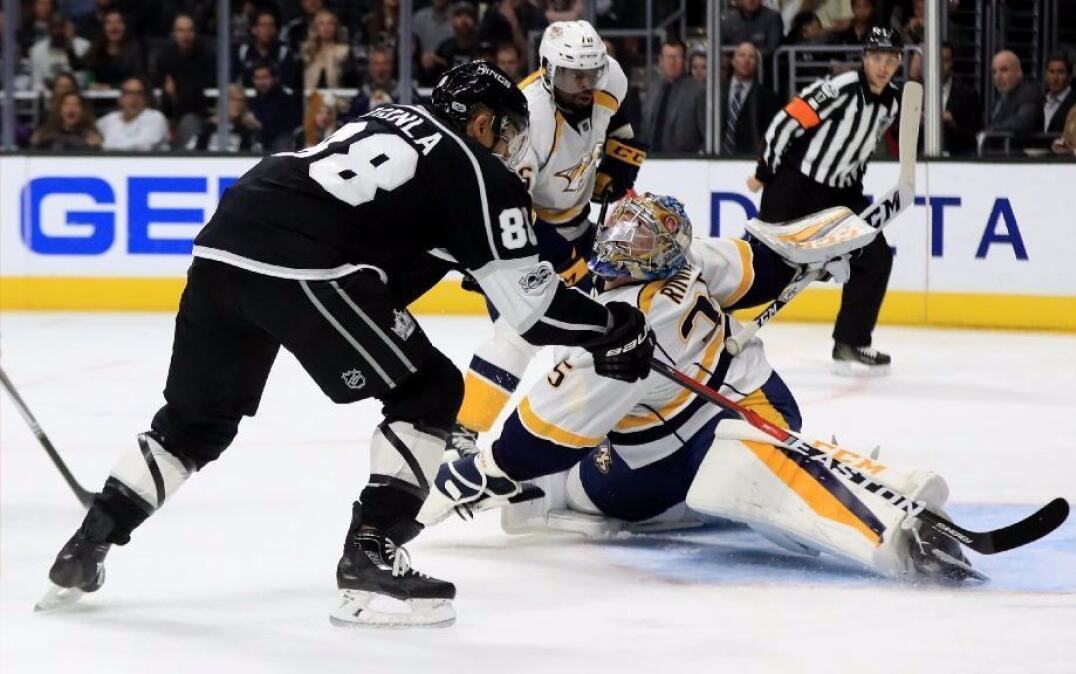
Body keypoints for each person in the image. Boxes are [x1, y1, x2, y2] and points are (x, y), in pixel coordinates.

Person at [38, 60, 655, 628]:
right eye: (507, 132)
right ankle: (372, 557)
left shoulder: (387, 119)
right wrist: (614, 329)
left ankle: (90, 540)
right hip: (305, 266)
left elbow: (392, 222)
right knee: (429, 390)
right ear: (482, 120)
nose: (510, 149)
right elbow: (534, 309)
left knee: (194, 425)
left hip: (223, 244)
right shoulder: (474, 166)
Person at [418, 191, 978, 582]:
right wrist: (822, 248)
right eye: (623, 231)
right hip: (766, 403)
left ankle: (878, 523)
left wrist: (484, 471)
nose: (621, 245)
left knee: (570, 491)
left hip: (675, 459)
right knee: (580, 463)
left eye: (637, 240)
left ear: (659, 255)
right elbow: (764, 261)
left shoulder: (614, 333)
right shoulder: (694, 260)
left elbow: (538, 435)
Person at [450, 21, 646, 457]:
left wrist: (618, 171)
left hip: (576, 220)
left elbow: (623, 122)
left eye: (591, 73)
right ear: (545, 69)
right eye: (571, 75)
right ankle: (461, 432)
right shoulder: (526, 120)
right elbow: (512, 209)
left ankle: (595, 425)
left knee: (609, 323)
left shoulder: (607, 77)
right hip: (515, 240)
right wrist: (562, 259)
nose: (584, 84)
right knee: (518, 334)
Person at [750, 27, 903, 375]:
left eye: (891, 59)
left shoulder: (892, 102)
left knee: (876, 259)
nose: (883, 66)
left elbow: (861, 148)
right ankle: (712, 318)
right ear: (865, 58)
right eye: (877, 58)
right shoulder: (841, 87)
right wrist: (764, 172)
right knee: (765, 264)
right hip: (795, 188)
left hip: (840, 195)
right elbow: (785, 123)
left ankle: (850, 342)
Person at [154, 13, 216, 149]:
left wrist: (175, 93)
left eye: (189, 30)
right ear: (174, 33)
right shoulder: (165, 57)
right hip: (167, 111)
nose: (185, 35)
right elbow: (160, 85)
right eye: (181, 30)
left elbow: (198, 91)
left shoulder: (205, 56)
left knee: (189, 122)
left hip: (196, 112)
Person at [640, 39, 706, 154]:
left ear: (685, 61)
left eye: (676, 57)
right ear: (660, 61)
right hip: (651, 162)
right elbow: (644, 129)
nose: (671, 62)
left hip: (684, 163)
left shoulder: (698, 91)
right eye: (667, 57)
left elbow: (707, 136)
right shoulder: (652, 89)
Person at [722, 42, 778, 155]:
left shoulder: (769, 97)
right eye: (742, 55)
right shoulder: (717, 91)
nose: (746, 60)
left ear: (757, 65)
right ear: (733, 61)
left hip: (749, 159)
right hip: (716, 158)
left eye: (751, 57)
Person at [983, 50, 1041, 150]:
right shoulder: (1003, 96)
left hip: (1019, 158)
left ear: (1019, 72)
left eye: (1004, 70)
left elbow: (1022, 122)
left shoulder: (1028, 92)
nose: (998, 77)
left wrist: (992, 130)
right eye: (994, 72)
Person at [95, 75, 169, 150]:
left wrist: (103, 146)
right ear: (120, 98)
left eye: (139, 93)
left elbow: (141, 147)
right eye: (128, 93)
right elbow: (91, 134)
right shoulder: (108, 120)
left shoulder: (155, 118)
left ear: (146, 99)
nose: (134, 98)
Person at [186, 83, 263, 152]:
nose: (237, 104)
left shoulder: (250, 128)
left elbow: (256, 155)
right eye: (232, 100)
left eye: (240, 101)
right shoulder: (207, 127)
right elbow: (189, 152)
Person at [233, 8, 298, 89]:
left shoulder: (283, 52)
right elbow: (233, 82)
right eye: (263, 25)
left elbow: (288, 84)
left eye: (271, 25)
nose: (268, 29)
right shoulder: (242, 52)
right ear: (254, 30)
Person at [82, 8, 143, 89]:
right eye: (109, 23)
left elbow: (137, 79)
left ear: (125, 26)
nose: (114, 27)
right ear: (103, 28)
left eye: (118, 22)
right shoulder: (96, 48)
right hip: (98, 97)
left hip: (126, 95)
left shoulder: (134, 49)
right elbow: (85, 72)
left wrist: (110, 87)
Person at [248, 61, 302, 153]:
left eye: (265, 77)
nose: (261, 82)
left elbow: (277, 126)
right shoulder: (253, 101)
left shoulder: (286, 100)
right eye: (257, 78)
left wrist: (256, 122)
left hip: (279, 149)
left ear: (275, 78)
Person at [29, 13, 88, 93]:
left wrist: (70, 47)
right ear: (48, 30)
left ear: (68, 28)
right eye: (54, 27)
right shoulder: (37, 50)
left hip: (75, 96)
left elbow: (81, 80)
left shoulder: (83, 46)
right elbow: (37, 83)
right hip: (48, 98)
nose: (57, 31)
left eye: (61, 27)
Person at [939, 42, 980, 157]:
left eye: (945, 60)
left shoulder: (968, 94)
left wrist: (953, 125)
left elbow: (974, 134)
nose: (940, 65)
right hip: (921, 158)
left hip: (957, 158)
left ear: (952, 63)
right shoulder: (916, 91)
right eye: (936, 59)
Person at [300, 8, 356, 91]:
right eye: (322, 24)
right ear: (315, 28)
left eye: (330, 23)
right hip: (311, 100)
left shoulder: (344, 51)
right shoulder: (306, 51)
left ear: (336, 27)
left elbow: (351, 81)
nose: (326, 28)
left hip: (337, 100)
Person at [30, 89, 102, 149]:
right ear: (59, 110)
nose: (71, 108)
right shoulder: (46, 135)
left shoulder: (90, 136)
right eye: (66, 104)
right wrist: (35, 143)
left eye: (76, 105)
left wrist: (96, 147)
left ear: (83, 111)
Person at [345, 46, 403, 119]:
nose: (381, 68)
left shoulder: (404, 94)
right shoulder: (361, 98)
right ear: (370, 67)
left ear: (391, 66)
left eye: (385, 63)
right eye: (376, 64)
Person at [434, 3, 484, 76]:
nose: (464, 20)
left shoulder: (482, 49)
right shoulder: (444, 48)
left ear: (475, 22)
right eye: (459, 15)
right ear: (452, 21)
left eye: (469, 16)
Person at [1041, 54, 1076, 136]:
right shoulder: (1039, 101)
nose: (1055, 78)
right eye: (1051, 72)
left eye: (1061, 72)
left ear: (1069, 77)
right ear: (1045, 76)